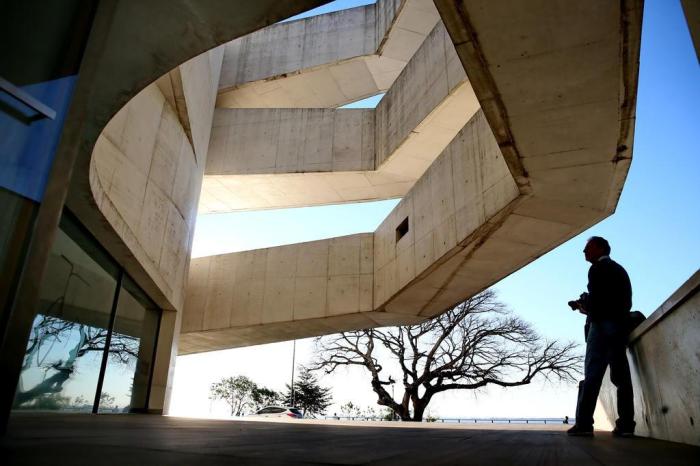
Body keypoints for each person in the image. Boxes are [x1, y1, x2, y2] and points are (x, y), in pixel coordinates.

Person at [566, 236, 636, 437]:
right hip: (618, 326)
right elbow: (622, 302)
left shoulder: (596, 269)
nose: (584, 252)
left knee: (592, 376)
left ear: (598, 248)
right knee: (621, 377)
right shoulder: (620, 270)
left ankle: (584, 424)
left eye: (587, 247)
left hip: (601, 327)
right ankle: (626, 425)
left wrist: (584, 306)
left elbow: (597, 303)